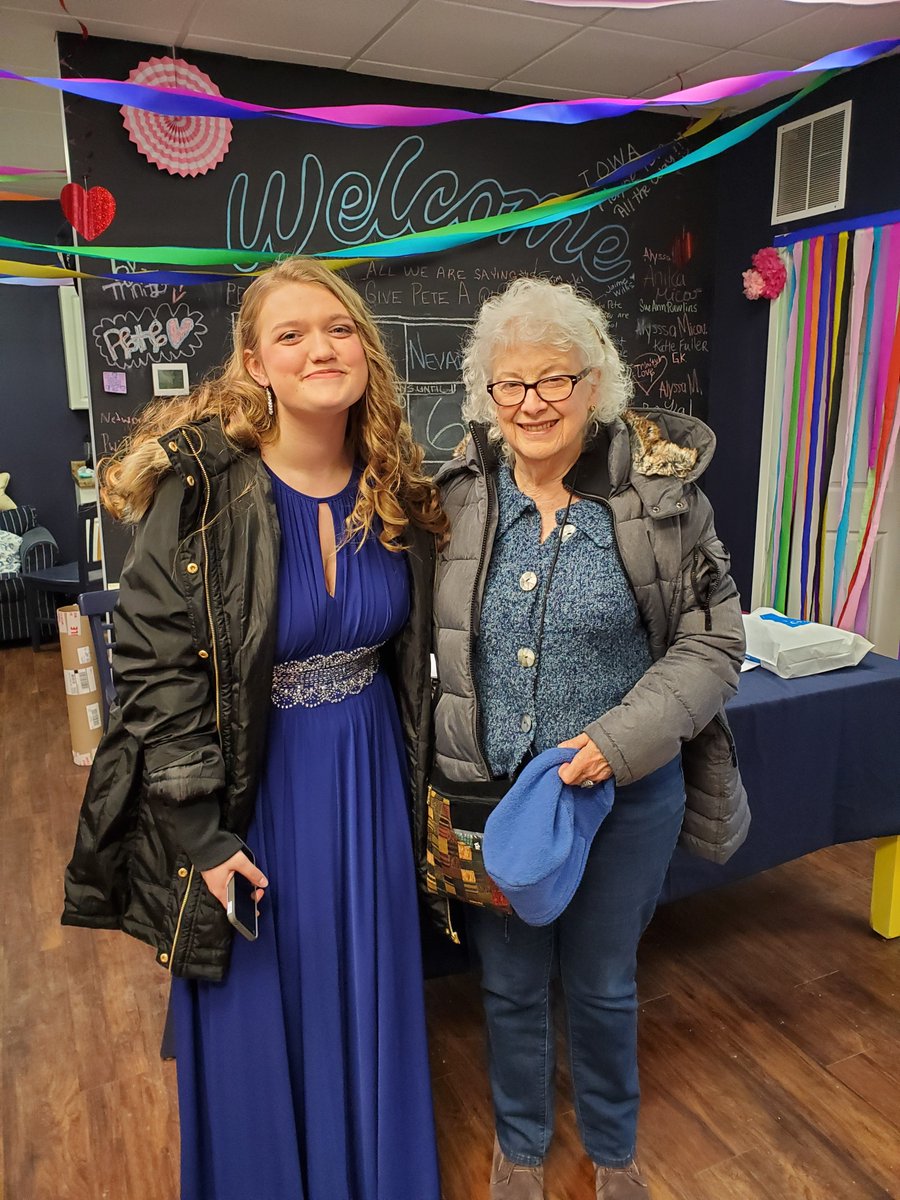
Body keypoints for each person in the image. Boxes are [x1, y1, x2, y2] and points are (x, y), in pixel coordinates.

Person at [62, 256, 447, 1200]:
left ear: (365, 348)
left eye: (340, 328)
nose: (321, 347)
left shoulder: (397, 487)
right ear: (254, 363)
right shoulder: (202, 489)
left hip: (365, 784)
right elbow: (151, 671)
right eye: (292, 333)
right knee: (254, 1009)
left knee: (366, 1000)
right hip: (248, 791)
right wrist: (201, 834)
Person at [426, 277, 749, 1199]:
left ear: (596, 382)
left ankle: (613, 1151)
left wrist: (617, 742)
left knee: (605, 984)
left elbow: (716, 643)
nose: (531, 403)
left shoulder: (662, 502)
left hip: (627, 794)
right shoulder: (457, 502)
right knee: (511, 984)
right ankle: (521, 1150)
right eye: (509, 385)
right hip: (495, 796)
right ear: (485, 397)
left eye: (554, 380)